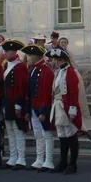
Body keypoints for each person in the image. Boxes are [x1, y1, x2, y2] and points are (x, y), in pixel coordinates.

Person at [2, 40, 30, 170]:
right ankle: (13, 157)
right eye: (5, 51)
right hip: (7, 101)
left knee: (18, 130)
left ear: (14, 51)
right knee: (10, 130)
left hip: (16, 102)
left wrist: (18, 104)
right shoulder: (6, 65)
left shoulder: (19, 66)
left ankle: (21, 158)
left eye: (7, 51)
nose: (5, 53)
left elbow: (21, 87)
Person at [27, 43, 56, 171]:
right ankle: (39, 159)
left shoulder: (46, 71)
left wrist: (44, 111)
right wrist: (28, 109)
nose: (28, 57)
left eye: (30, 55)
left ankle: (48, 160)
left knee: (47, 134)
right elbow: (30, 92)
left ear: (37, 56)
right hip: (34, 106)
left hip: (42, 106)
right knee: (38, 134)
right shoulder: (33, 69)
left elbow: (46, 93)